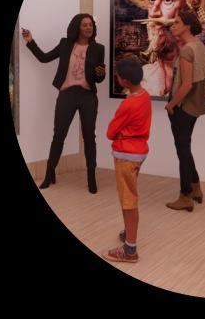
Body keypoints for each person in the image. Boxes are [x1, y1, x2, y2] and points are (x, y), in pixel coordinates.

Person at [22, 14, 105, 193]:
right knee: (59, 135)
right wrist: (30, 41)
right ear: (77, 27)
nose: (89, 27)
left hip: (88, 96)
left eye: (91, 25)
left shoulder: (99, 48)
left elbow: (99, 78)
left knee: (89, 136)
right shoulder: (65, 44)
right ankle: (49, 174)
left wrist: (101, 73)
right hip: (67, 94)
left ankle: (91, 177)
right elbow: (44, 58)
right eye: (85, 25)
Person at [102, 58, 152, 263]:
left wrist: (120, 133)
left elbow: (110, 132)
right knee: (129, 195)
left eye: (118, 75)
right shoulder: (144, 96)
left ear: (124, 81)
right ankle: (128, 233)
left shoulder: (128, 104)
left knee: (128, 200)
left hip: (126, 155)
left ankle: (130, 249)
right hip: (138, 152)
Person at [165, 8, 205, 212]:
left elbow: (187, 84)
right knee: (185, 149)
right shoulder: (199, 46)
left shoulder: (186, 50)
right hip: (194, 108)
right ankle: (196, 187)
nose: (173, 26)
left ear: (187, 26)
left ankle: (185, 196)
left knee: (182, 151)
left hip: (182, 108)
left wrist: (171, 104)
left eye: (177, 23)